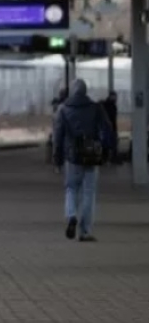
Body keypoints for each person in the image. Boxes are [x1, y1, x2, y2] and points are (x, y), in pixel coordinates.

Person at [52, 78, 116, 242]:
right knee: (89, 192)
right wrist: (107, 151)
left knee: (71, 188)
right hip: (91, 153)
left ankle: (71, 215)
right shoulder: (96, 108)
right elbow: (107, 130)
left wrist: (57, 160)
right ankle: (85, 231)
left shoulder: (63, 109)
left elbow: (57, 138)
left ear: (72, 91)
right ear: (85, 91)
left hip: (72, 156)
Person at [102, 91, 120, 165]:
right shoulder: (109, 105)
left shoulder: (106, 105)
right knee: (111, 143)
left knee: (107, 143)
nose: (116, 98)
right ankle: (112, 159)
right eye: (114, 96)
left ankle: (107, 159)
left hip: (108, 127)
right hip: (109, 127)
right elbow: (111, 117)